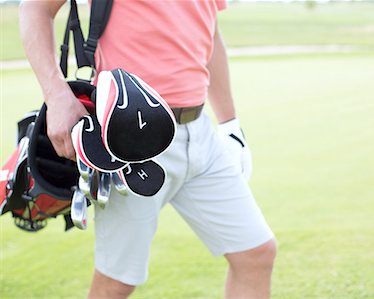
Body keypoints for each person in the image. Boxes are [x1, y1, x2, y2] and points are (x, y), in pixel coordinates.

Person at [19, 1, 276, 298]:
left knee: (255, 254)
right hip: (127, 139)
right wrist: (56, 95)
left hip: (201, 132)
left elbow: (210, 33)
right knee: (116, 283)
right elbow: (35, 8)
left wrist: (230, 123)